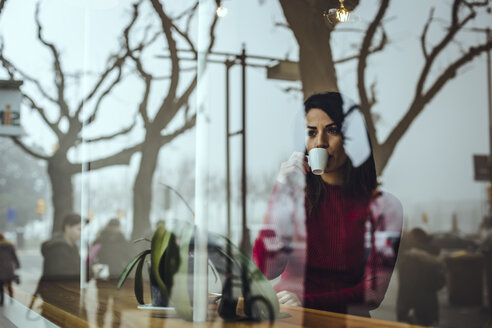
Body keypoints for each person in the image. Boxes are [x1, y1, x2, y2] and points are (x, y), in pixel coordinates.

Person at [252, 92, 403, 317]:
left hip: (341, 321)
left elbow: (372, 292)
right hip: (285, 318)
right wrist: (281, 190)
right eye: (311, 133)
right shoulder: (295, 198)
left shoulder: (385, 208)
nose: (319, 142)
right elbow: (264, 269)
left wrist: (305, 302)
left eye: (332, 130)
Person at [36, 213, 87, 325]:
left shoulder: (71, 246)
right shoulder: (59, 248)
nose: (81, 233)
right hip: (59, 301)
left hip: (66, 300)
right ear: (67, 227)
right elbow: (64, 275)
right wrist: (89, 272)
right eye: (79, 229)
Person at [89, 218, 131, 328]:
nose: (114, 229)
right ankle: (99, 325)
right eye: (112, 226)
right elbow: (91, 257)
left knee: (118, 308)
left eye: (116, 226)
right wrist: (94, 268)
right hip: (103, 279)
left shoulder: (123, 241)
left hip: (118, 278)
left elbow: (128, 258)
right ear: (108, 227)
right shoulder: (99, 241)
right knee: (102, 306)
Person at [0, 232, 20, 305]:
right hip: (9, 268)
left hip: (0, 269)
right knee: (9, 284)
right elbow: (15, 256)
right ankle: (12, 299)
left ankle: (2, 301)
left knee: (1, 286)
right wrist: (18, 265)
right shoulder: (10, 245)